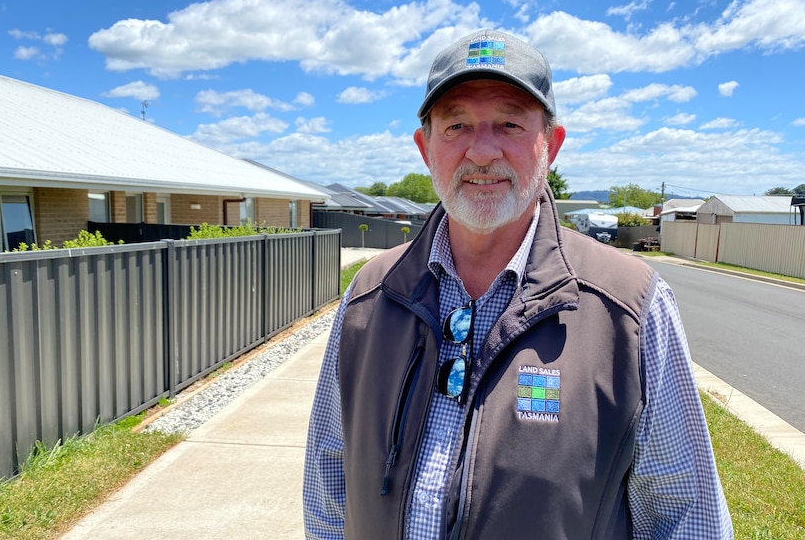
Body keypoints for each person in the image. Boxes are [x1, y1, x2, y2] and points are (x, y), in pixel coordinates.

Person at [303, 29, 733, 539]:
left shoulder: (630, 308)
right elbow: (329, 484)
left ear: (550, 144)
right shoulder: (370, 295)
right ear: (425, 148)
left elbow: (684, 516)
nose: (482, 152)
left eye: (509, 123)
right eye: (456, 125)